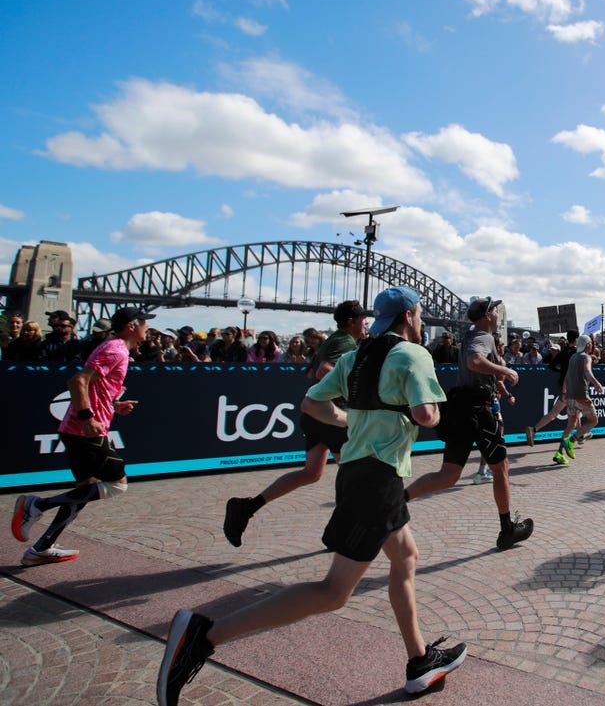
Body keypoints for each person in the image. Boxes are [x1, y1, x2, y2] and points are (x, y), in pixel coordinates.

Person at [157, 285, 466, 705]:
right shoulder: (413, 355)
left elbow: (312, 404)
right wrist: (436, 411)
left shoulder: (355, 356)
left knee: (405, 558)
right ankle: (204, 635)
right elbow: (427, 415)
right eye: (420, 314)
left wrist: (351, 420)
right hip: (378, 480)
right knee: (333, 593)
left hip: (361, 474)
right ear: (410, 315)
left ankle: (419, 660)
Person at [11, 307, 152, 566]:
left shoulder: (115, 348)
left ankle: (42, 547)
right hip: (84, 430)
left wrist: (113, 406)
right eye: (144, 323)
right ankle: (38, 505)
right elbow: (78, 382)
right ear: (132, 325)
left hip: (77, 429)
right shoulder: (116, 349)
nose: (148, 328)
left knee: (86, 490)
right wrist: (88, 418)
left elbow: (96, 387)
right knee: (117, 484)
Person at [223, 300, 370, 547]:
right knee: (353, 474)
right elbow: (323, 370)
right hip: (333, 415)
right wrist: (352, 387)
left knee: (311, 473)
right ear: (351, 322)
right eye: (363, 321)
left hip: (314, 415)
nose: (366, 325)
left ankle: (246, 506)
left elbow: (310, 373)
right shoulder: (345, 342)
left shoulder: (331, 341)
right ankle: (339, 533)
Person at [404, 297, 533, 550]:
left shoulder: (475, 335)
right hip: (478, 410)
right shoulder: (483, 337)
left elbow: (479, 369)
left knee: (449, 474)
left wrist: (501, 385)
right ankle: (507, 530)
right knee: (501, 469)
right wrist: (506, 371)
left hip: (462, 407)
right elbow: (475, 361)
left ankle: (397, 500)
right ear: (487, 316)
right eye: (494, 310)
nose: (497, 314)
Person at [552, 334, 604, 465]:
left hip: (570, 396)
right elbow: (587, 371)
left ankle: (559, 454)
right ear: (587, 345)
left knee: (570, 425)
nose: (592, 345)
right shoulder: (586, 357)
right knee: (594, 421)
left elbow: (567, 377)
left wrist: (564, 392)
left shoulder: (573, 357)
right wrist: (596, 383)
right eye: (591, 343)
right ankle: (572, 440)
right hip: (581, 396)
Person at [525, 329, 579, 447]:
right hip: (571, 388)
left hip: (565, 387)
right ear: (576, 339)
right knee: (568, 415)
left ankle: (580, 436)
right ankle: (573, 440)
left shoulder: (563, 352)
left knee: (568, 413)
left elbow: (551, 366)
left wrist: (561, 372)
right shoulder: (576, 353)